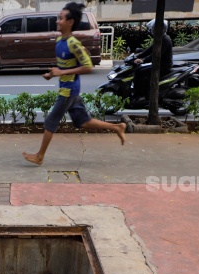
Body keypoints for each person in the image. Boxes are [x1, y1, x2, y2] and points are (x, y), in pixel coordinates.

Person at [22, 2, 125, 166]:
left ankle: (40, 156)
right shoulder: (59, 41)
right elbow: (65, 66)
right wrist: (52, 74)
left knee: (50, 121)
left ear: (70, 22)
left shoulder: (73, 43)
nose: (57, 21)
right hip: (68, 89)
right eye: (58, 18)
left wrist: (61, 73)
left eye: (61, 19)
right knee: (83, 121)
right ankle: (118, 127)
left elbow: (88, 67)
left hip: (68, 91)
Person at [132, 19, 173, 102]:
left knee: (140, 72)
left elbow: (156, 55)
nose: (152, 31)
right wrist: (137, 56)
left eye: (154, 29)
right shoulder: (160, 39)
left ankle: (141, 95)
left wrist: (143, 60)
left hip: (163, 67)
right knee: (138, 70)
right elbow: (149, 50)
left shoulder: (165, 40)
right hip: (158, 65)